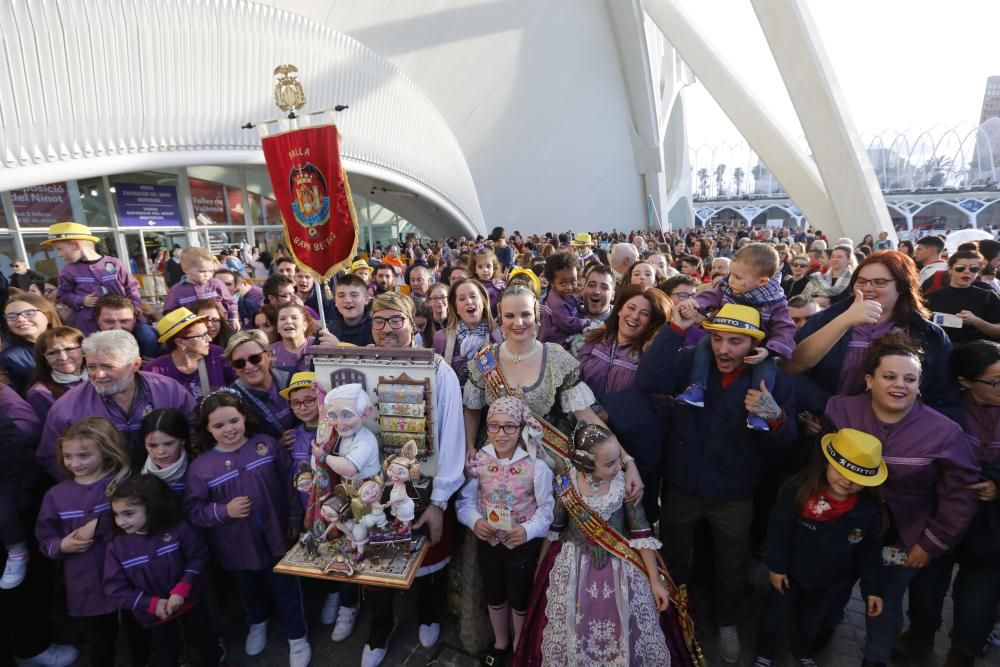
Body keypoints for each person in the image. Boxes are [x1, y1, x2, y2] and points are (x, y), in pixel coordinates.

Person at [637, 302, 798, 663]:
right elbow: (648, 380)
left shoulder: (775, 378)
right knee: (675, 556)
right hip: (682, 486)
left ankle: (727, 622)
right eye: (718, 339)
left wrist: (775, 416)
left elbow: (789, 442)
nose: (724, 350)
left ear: (755, 345)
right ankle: (671, 616)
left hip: (734, 495)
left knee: (732, 565)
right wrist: (675, 329)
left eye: (736, 342)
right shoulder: (692, 362)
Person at [822, 335, 979, 667]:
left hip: (903, 536)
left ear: (920, 384)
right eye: (889, 376)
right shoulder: (840, 409)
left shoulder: (945, 432)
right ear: (869, 379)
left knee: (885, 601)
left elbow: (959, 493)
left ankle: (875, 658)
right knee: (832, 586)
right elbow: (817, 466)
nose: (900, 385)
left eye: (910, 379)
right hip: (841, 525)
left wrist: (932, 542)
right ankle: (818, 634)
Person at [358, 291, 465, 666]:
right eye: (379, 321)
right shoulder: (359, 363)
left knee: (426, 555)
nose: (387, 329)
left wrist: (439, 502)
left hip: (424, 485)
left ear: (413, 324)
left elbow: (452, 437)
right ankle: (380, 625)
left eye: (395, 320)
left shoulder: (438, 370)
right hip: (372, 485)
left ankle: (428, 612)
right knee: (374, 557)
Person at [515, 423, 673, 666]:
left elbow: (642, 534)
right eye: (609, 464)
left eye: (617, 460)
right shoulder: (566, 485)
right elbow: (555, 530)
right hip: (572, 567)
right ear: (586, 463)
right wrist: (540, 566)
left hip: (620, 567)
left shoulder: (623, 485)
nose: (618, 467)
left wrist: (653, 581)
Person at [184, 390, 311, 667]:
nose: (228, 429)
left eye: (233, 421)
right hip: (236, 545)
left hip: (278, 536)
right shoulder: (200, 468)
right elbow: (194, 510)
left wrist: (293, 519)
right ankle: (258, 621)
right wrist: (223, 511)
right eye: (218, 425)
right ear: (207, 428)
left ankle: (297, 635)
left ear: (244, 417)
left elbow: (292, 482)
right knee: (248, 588)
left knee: (287, 588)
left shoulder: (266, 445)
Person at [752, 429, 886, 666]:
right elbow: (779, 531)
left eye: (858, 478)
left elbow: (870, 553)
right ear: (826, 463)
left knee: (813, 621)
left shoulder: (869, 511)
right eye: (841, 471)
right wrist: (776, 567)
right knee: (774, 615)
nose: (848, 480)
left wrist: (872, 590)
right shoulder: (798, 491)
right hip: (789, 574)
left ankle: (802, 651)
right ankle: (765, 652)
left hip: (831, 582)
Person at [787, 251, 960, 421]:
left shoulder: (928, 334)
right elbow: (791, 368)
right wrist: (826, 409)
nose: (868, 288)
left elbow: (943, 393)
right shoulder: (825, 320)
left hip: (897, 431)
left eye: (879, 282)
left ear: (901, 286)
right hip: (829, 422)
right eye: (861, 281)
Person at [35, 417, 141, 667]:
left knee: (139, 631)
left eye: (84, 455)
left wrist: (101, 523)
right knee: (101, 639)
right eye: (68, 456)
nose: (75, 463)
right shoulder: (56, 495)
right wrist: (61, 546)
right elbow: (45, 536)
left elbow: (145, 518)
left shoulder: (124, 484)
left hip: (131, 574)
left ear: (105, 452)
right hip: (87, 580)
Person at [457, 397, 554, 663]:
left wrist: (528, 530)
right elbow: (465, 502)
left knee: (519, 596)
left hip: (521, 546)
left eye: (509, 427)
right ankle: (501, 644)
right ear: (486, 428)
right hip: (489, 543)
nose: (501, 434)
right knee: (494, 592)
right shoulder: (478, 462)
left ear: (522, 428)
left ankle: (520, 645)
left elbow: (547, 509)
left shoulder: (537, 466)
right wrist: (475, 521)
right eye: (494, 426)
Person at [39, 330, 198, 476]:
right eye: (92, 367)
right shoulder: (67, 407)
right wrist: (87, 489)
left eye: (108, 366)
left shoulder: (169, 390)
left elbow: (195, 433)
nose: (99, 375)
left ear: (135, 364)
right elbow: (52, 457)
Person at [104, 475, 223, 667]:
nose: (121, 522)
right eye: (116, 514)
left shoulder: (179, 528)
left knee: (206, 642)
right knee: (167, 652)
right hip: (154, 613)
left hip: (191, 601)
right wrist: (152, 604)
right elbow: (116, 588)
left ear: (152, 508)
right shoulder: (116, 547)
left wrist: (182, 589)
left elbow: (197, 556)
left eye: (128, 513)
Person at [676, 243, 796, 431]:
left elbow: (785, 330)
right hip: (723, 330)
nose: (730, 280)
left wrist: (769, 350)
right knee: (704, 343)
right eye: (731, 273)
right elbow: (709, 297)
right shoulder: (728, 287)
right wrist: (695, 303)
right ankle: (697, 387)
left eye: (738, 277)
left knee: (766, 368)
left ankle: (757, 411)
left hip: (759, 348)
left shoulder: (775, 302)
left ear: (762, 282)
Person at [281, 373, 360, 641]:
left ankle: (349, 604)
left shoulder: (338, 432)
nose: (303, 407)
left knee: (346, 552)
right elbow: (291, 479)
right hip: (311, 510)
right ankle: (333, 593)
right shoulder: (292, 437)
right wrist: (295, 516)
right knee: (322, 553)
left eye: (309, 400)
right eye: (296, 403)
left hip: (339, 507)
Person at [944, 340, 1000, 666]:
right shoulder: (944, 409)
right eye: (994, 381)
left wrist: (997, 483)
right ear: (965, 381)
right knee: (927, 589)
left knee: (977, 598)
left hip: (990, 530)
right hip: (943, 519)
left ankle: (962, 652)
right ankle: (920, 632)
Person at [46, 222, 141, 335]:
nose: (59, 254)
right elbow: (62, 295)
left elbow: (131, 287)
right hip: (89, 325)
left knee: (148, 338)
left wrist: (135, 308)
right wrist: (81, 300)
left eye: (60, 249)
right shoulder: (68, 271)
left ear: (76, 245)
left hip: (125, 321)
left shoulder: (114, 263)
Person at [144, 307, 236, 401]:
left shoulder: (216, 355)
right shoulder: (154, 372)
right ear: (180, 343)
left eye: (207, 333)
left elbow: (236, 386)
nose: (209, 339)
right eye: (201, 336)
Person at [0, 384, 41, 590]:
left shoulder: (6, 406)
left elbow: (14, 442)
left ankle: (17, 550)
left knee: (4, 514)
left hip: (6, 472)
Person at [223, 329, 295, 440]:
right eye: (239, 363)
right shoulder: (231, 400)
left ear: (269, 355)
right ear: (233, 367)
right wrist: (275, 446)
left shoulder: (293, 377)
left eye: (255, 358)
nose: (249, 367)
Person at [432, 278, 503, 387]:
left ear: (483, 302)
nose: (469, 301)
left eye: (473, 296)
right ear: (456, 308)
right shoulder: (441, 338)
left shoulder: (499, 337)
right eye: (462, 298)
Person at [925, 248, 1000, 345]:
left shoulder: (988, 296)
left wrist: (976, 321)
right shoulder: (930, 298)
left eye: (973, 268)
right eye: (960, 268)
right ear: (950, 269)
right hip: (942, 354)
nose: (967, 272)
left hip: (976, 355)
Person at [162, 247, 239, 332]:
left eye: (210, 271)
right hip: (193, 331)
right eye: (202, 271)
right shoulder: (176, 291)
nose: (207, 274)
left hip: (220, 328)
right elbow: (169, 312)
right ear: (185, 269)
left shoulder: (216, 284)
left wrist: (234, 318)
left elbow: (230, 302)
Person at [1, 294, 62, 394]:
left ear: (48, 316)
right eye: (11, 316)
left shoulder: (74, 342)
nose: (20, 319)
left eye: (29, 313)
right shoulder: (10, 358)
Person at [25, 326, 86, 420]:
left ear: (84, 351)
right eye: (52, 353)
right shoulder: (40, 393)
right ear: (44, 360)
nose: (63, 358)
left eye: (69, 349)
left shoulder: (104, 375)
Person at [538, 252, 587, 349]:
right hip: (555, 346)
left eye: (573, 281)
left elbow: (575, 307)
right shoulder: (557, 303)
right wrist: (586, 322)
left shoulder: (566, 295)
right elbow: (569, 325)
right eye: (563, 283)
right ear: (552, 283)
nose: (569, 287)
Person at [140, 408, 192, 496]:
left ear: (182, 440)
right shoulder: (135, 471)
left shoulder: (197, 470)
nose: (160, 452)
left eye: (169, 444)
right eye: (152, 445)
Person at [94, 293, 161, 359]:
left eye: (124, 321)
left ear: (135, 319)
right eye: (109, 322)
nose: (118, 328)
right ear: (97, 320)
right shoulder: (87, 350)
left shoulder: (160, 347)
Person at [327, 273, 374, 346]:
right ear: (335, 301)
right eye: (341, 296)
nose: (347, 300)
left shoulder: (377, 330)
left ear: (366, 299)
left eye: (354, 295)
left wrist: (339, 345)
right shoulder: (328, 332)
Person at [271, 303, 319, 373]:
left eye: (294, 318)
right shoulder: (270, 353)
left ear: (305, 325)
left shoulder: (318, 345)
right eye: (282, 319)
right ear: (277, 327)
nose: (288, 322)